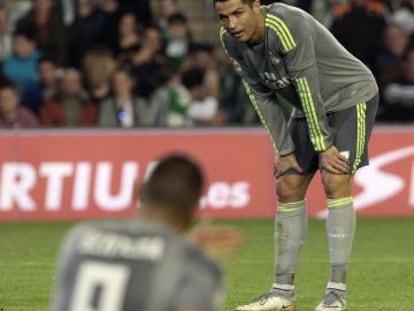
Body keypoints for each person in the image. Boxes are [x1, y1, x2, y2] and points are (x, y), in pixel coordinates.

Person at [213, 1, 378, 311]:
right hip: (308, 106)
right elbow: (260, 94)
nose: (231, 24)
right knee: (287, 186)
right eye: (223, 17)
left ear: (256, 7)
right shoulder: (230, 42)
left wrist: (323, 145)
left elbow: (306, 82)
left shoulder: (286, 25)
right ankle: (281, 293)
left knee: (335, 179)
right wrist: (284, 150)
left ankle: (336, 294)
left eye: (238, 13)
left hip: (349, 96)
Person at [51, 153, 241, 311]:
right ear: (193, 213)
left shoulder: (80, 237)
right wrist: (192, 256)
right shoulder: (194, 264)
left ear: (137, 190)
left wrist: (183, 249)